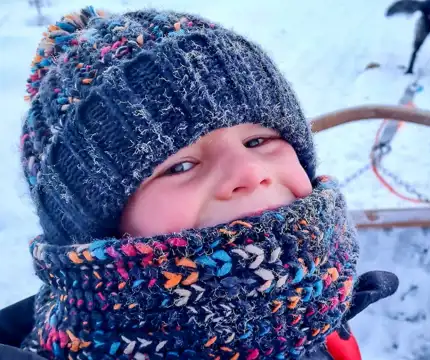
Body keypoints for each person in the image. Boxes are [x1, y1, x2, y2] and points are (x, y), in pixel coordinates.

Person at [0, 6, 398, 359]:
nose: (248, 172)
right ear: (95, 233)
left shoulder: (318, 308)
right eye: (180, 166)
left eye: (257, 140)